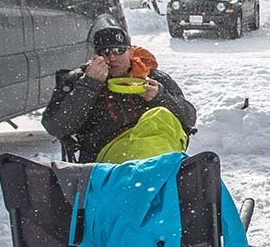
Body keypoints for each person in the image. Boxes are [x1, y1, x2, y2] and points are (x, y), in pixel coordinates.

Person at [42, 24, 197, 162]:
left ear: (130, 52)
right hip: (111, 154)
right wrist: (90, 84)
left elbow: (189, 118)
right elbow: (56, 127)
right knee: (159, 165)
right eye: (105, 52)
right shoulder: (78, 80)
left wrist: (160, 97)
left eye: (119, 50)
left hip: (161, 145)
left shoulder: (154, 77)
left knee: (160, 116)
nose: (112, 57)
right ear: (95, 55)